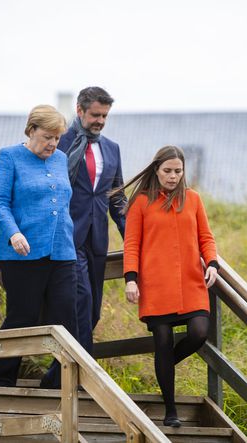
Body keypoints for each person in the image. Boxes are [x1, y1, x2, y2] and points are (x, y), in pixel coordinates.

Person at [119, 145, 219, 428]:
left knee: (199, 333)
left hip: (191, 283)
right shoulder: (140, 202)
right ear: (156, 170)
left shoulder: (194, 200)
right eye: (167, 171)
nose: (173, 176)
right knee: (162, 341)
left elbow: (206, 238)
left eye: (178, 171)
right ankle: (170, 410)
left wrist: (212, 263)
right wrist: (130, 279)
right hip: (155, 286)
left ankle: (164, 367)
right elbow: (131, 244)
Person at [0, 105, 77, 388]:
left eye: (57, 137)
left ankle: (58, 383)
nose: (52, 143)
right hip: (21, 252)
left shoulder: (61, 158)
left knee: (66, 315)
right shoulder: (10, 156)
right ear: (31, 131)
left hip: (62, 249)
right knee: (22, 317)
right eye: (47, 136)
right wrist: (13, 233)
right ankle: (1, 381)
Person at [57, 86, 126, 356]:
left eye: (105, 116)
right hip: (67, 238)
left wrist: (132, 235)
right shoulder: (59, 143)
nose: (100, 121)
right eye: (95, 114)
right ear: (80, 110)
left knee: (93, 310)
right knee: (82, 301)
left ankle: (55, 377)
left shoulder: (112, 149)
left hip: (98, 239)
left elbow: (117, 198)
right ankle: (85, 378)